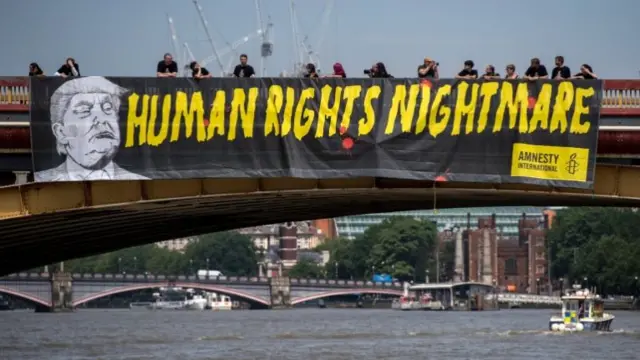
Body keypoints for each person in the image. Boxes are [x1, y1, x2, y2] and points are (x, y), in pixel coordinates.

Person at [34, 76, 149, 182]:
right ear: (61, 132)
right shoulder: (41, 182)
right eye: (84, 110)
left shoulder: (141, 182)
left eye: (108, 108)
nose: (101, 118)